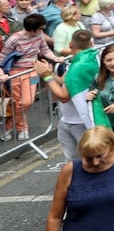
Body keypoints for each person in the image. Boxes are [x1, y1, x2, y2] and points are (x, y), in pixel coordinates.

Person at [45, 126, 114, 231]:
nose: (95, 162)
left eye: (99, 156)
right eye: (88, 158)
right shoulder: (69, 171)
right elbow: (55, 217)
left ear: (111, 146)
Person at [34, 30, 96, 161]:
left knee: (88, 161)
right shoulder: (84, 59)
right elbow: (63, 81)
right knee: (73, 162)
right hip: (67, 120)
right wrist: (49, 73)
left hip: (81, 122)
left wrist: (46, 77)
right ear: (91, 44)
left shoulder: (79, 66)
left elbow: (64, 96)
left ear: (70, 45)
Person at [0, 13, 61, 141]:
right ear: (33, 29)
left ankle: (8, 126)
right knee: (19, 103)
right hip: (15, 73)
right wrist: (1, 73)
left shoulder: (39, 36)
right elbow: (2, 57)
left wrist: (55, 58)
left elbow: (45, 50)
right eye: (41, 28)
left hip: (32, 71)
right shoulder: (14, 39)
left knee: (27, 101)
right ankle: (23, 128)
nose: (43, 30)